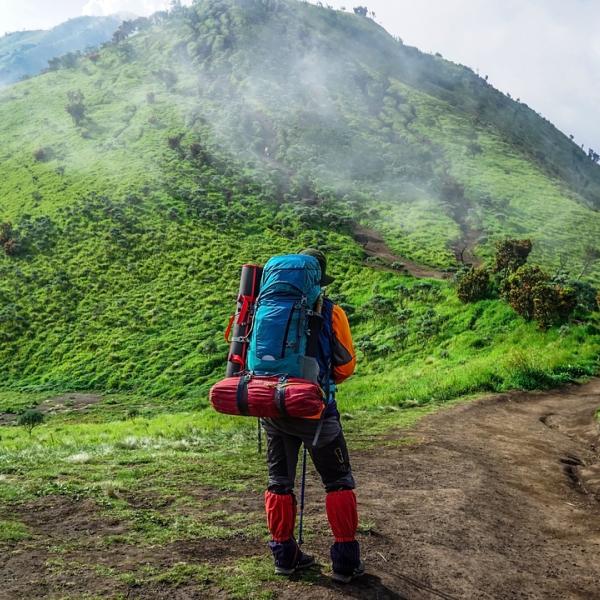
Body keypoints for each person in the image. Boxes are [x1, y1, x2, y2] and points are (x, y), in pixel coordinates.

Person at [261, 248, 364, 584]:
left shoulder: (264, 306)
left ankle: (284, 558)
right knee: (338, 482)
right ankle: (345, 564)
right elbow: (345, 367)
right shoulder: (331, 312)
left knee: (279, 483)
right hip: (315, 411)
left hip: (272, 405)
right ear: (318, 279)